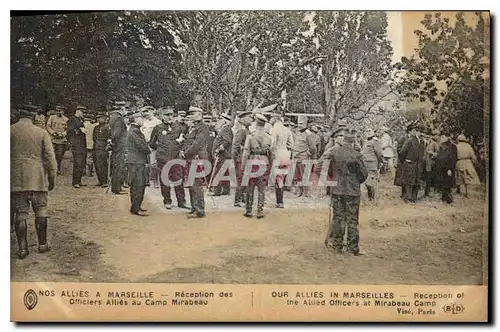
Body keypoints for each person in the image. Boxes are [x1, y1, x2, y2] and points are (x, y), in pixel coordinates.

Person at [11, 104, 57, 259]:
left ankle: (22, 249)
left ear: (19, 113)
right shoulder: (41, 132)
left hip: (16, 178)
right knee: (41, 210)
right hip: (37, 178)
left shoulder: (9, 130)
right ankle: (42, 244)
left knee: (21, 212)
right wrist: (52, 178)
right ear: (33, 116)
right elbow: (50, 159)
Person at [316, 128, 368, 255]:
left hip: (337, 190)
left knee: (338, 218)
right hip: (352, 192)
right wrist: (355, 182)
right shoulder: (357, 155)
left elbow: (327, 170)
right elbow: (363, 175)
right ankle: (352, 248)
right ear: (354, 140)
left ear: (343, 139)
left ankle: (337, 246)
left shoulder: (334, 153)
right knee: (352, 220)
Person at [149, 107, 189, 210]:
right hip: (163, 159)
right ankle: (167, 201)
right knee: (164, 180)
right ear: (162, 116)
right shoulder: (157, 128)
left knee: (178, 179)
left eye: (171, 115)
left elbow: (184, 141)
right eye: (167, 115)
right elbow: (152, 144)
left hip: (176, 158)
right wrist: (161, 150)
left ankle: (181, 201)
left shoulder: (179, 127)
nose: (170, 117)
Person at [242, 113, 274, 218]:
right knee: (261, 189)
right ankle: (260, 211)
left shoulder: (250, 136)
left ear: (256, 123)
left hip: (253, 162)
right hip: (264, 162)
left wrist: (243, 166)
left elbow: (246, 152)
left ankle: (249, 210)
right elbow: (271, 154)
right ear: (264, 125)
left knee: (250, 187)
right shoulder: (269, 138)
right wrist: (270, 166)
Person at [181, 107, 209, 218]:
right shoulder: (193, 127)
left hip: (197, 158)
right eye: (190, 114)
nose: (191, 115)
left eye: (193, 113)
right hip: (191, 158)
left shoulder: (203, 127)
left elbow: (197, 144)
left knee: (197, 184)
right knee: (191, 184)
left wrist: (185, 153)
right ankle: (194, 207)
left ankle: (200, 210)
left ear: (199, 114)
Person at [125, 112, 150, 216]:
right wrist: (147, 150)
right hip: (137, 161)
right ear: (135, 119)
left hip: (134, 160)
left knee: (136, 184)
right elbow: (141, 145)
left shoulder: (133, 129)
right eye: (141, 118)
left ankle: (136, 206)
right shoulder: (135, 131)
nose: (142, 120)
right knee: (139, 185)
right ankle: (136, 208)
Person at [269, 111, 293, 208]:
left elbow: (272, 144)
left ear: (275, 119)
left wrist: (272, 154)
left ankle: (279, 201)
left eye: (271, 118)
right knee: (282, 178)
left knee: (278, 179)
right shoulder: (287, 130)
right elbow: (291, 144)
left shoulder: (274, 129)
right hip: (285, 154)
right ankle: (280, 201)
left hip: (277, 154)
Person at [396, 124, 425, 203]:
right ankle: (407, 198)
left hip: (418, 164)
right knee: (408, 181)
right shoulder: (410, 140)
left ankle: (413, 198)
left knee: (416, 180)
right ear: (415, 131)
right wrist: (406, 161)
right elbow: (402, 152)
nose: (421, 134)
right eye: (419, 132)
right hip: (409, 163)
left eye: (422, 132)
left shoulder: (422, 141)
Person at [232, 111, 254, 207]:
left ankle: (243, 198)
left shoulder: (247, 129)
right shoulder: (242, 131)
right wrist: (236, 159)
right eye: (249, 117)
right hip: (241, 159)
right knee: (241, 180)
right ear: (243, 119)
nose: (251, 119)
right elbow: (235, 146)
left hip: (246, 158)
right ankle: (237, 200)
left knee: (246, 179)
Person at [292, 118, 317, 197]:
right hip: (296, 157)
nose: (299, 125)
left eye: (301, 123)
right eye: (299, 123)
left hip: (303, 158)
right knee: (298, 176)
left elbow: (313, 148)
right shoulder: (297, 132)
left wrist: (307, 153)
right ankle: (300, 191)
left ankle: (306, 193)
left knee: (304, 176)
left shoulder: (308, 134)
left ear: (305, 124)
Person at [211, 113, 233, 196]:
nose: (218, 121)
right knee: (224, 173)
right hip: (225, 155)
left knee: (218, 172)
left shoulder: (225, 129)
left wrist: (219, 148)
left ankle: (216, 191)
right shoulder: (225, 128)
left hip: (223, 154)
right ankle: (226, 190)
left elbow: (227, 141)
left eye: (220, 119)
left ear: (224, 120)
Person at [109, 101, 128, 195]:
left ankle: (116, 187)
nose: (126, 111)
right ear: (122, 109)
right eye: (125, 108)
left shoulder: (112, 117)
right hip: (120, 145)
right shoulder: (119, 119)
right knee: (119, 166)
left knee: (116, 165)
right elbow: (116, 133)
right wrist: (113, 141)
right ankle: (117, 188)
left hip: (116, 145)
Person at [66, 105, 87, 188]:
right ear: (77, 111)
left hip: (82, 144)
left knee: (82, 163)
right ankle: (75, 182)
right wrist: (79, 130)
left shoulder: (80, 120)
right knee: (77, 162)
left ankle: (79, 180)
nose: (83, 113)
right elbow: (69, 131)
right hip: (76, 144)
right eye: (82, 112)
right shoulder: (72, 119)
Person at [434, 132, 457, 204]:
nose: (441, 138)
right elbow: (440, 156)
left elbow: (453, 158)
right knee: (444, 183)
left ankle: (448, 200)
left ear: (448, 137)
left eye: (443, 137)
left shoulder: (452, 146)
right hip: (442, 167)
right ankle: (444, 198)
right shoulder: (442, 145)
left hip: (448, 168)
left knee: (448, 183)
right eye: (442, 137)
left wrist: (450, 169)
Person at [361, 128, 383, 201]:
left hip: (371, 164)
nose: (368, 133)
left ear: (373, 132)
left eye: (369, 131)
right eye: (366, 131)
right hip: (365, 164)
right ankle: (370, 197)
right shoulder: (365, 141)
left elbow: (379, 154)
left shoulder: (375, 142)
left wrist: (379, 163)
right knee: (366, 181)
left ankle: (372, 198)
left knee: (368, 182)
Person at [46, 105, 69, 174]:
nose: (59, 112)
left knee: (59, 155)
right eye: (57, 111)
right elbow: (48, 126)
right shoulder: (52, 117)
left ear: (63, 111)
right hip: (52, 139)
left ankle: (57, 168)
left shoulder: (66, 119)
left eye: (60, 111)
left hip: (61, 140)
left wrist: (63, 134)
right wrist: (52, 133)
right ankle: (50, 168)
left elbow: (67, 129)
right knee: (51, 154)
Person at [92, 111, 111, 187]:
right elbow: (94, 137)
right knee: (97, 165)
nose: (98, 119)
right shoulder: (96, 127)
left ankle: (104, 181)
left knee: (103, 165)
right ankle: (100, 180)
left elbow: (109, 137)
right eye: (98, 118)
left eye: (100, 118)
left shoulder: (107, 127)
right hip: (96, 147)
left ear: (104, 118)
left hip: (103, 148)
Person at [423, 129, 441, 197]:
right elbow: (430, 152)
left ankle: (428, 192)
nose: (438, 137)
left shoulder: (434, 143)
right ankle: (427, 193)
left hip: (431, 162)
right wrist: (438, 155)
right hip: (430, 163)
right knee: (429, 178)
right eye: (437, 135)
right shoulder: (433, 143)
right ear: (434, 136)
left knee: (430, 178)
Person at [83, 113, 98, 177]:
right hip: (92, 144)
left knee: (85, 157)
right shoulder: (95, 125)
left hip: (85, 143)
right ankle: (89, 172)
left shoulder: (84, 124)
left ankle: (85, 171)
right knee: (90, 158)